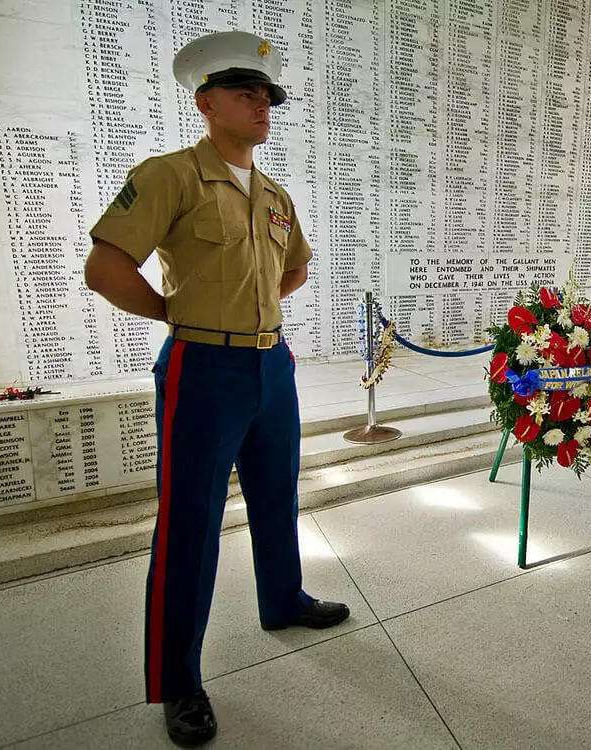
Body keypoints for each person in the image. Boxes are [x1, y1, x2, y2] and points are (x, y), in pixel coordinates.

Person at [84, 31, 349, 747]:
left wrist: (258, 309)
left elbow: (294, 269)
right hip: (202, 370)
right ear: (205, 103)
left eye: (267, 96)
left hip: (270, 367)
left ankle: (283, 599)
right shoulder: (169, 175)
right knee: (189, 526)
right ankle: (177, 681)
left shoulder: (272, 192)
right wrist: (179, 312)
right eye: (245, 93)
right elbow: (106, 269)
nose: (261, 105)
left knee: (277, 492)